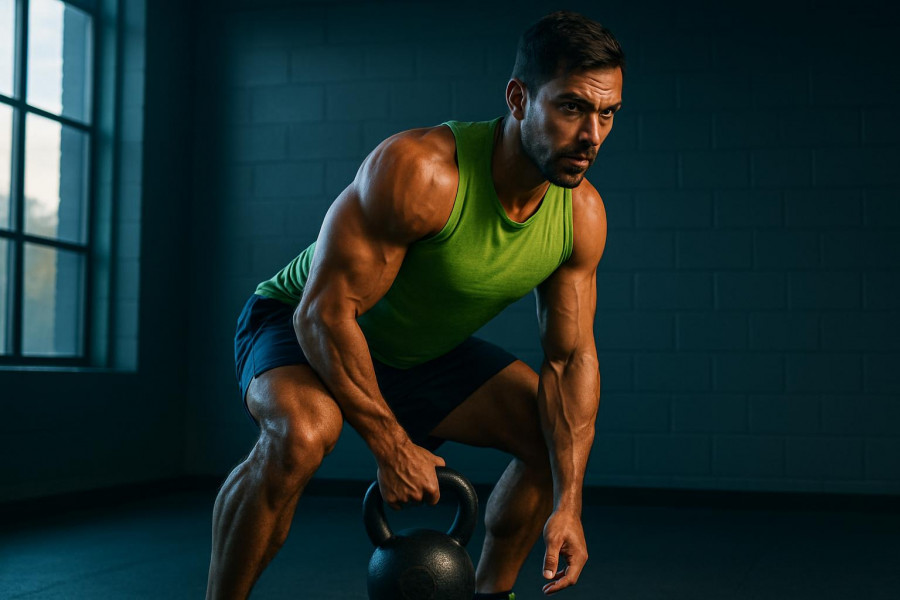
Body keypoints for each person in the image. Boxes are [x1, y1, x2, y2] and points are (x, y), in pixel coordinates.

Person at [206, 10, 624, 599]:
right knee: (302, 434)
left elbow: (571, 360)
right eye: (573, 107)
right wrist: (391, 444)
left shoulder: (581, 216)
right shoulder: (422, 171)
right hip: (301, 321)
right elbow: (322, 315)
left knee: (548, 436)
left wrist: (569, 503)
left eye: (607, 113)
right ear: (519, 99)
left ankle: (492, 593)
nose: (592, 135)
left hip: (417, 349)